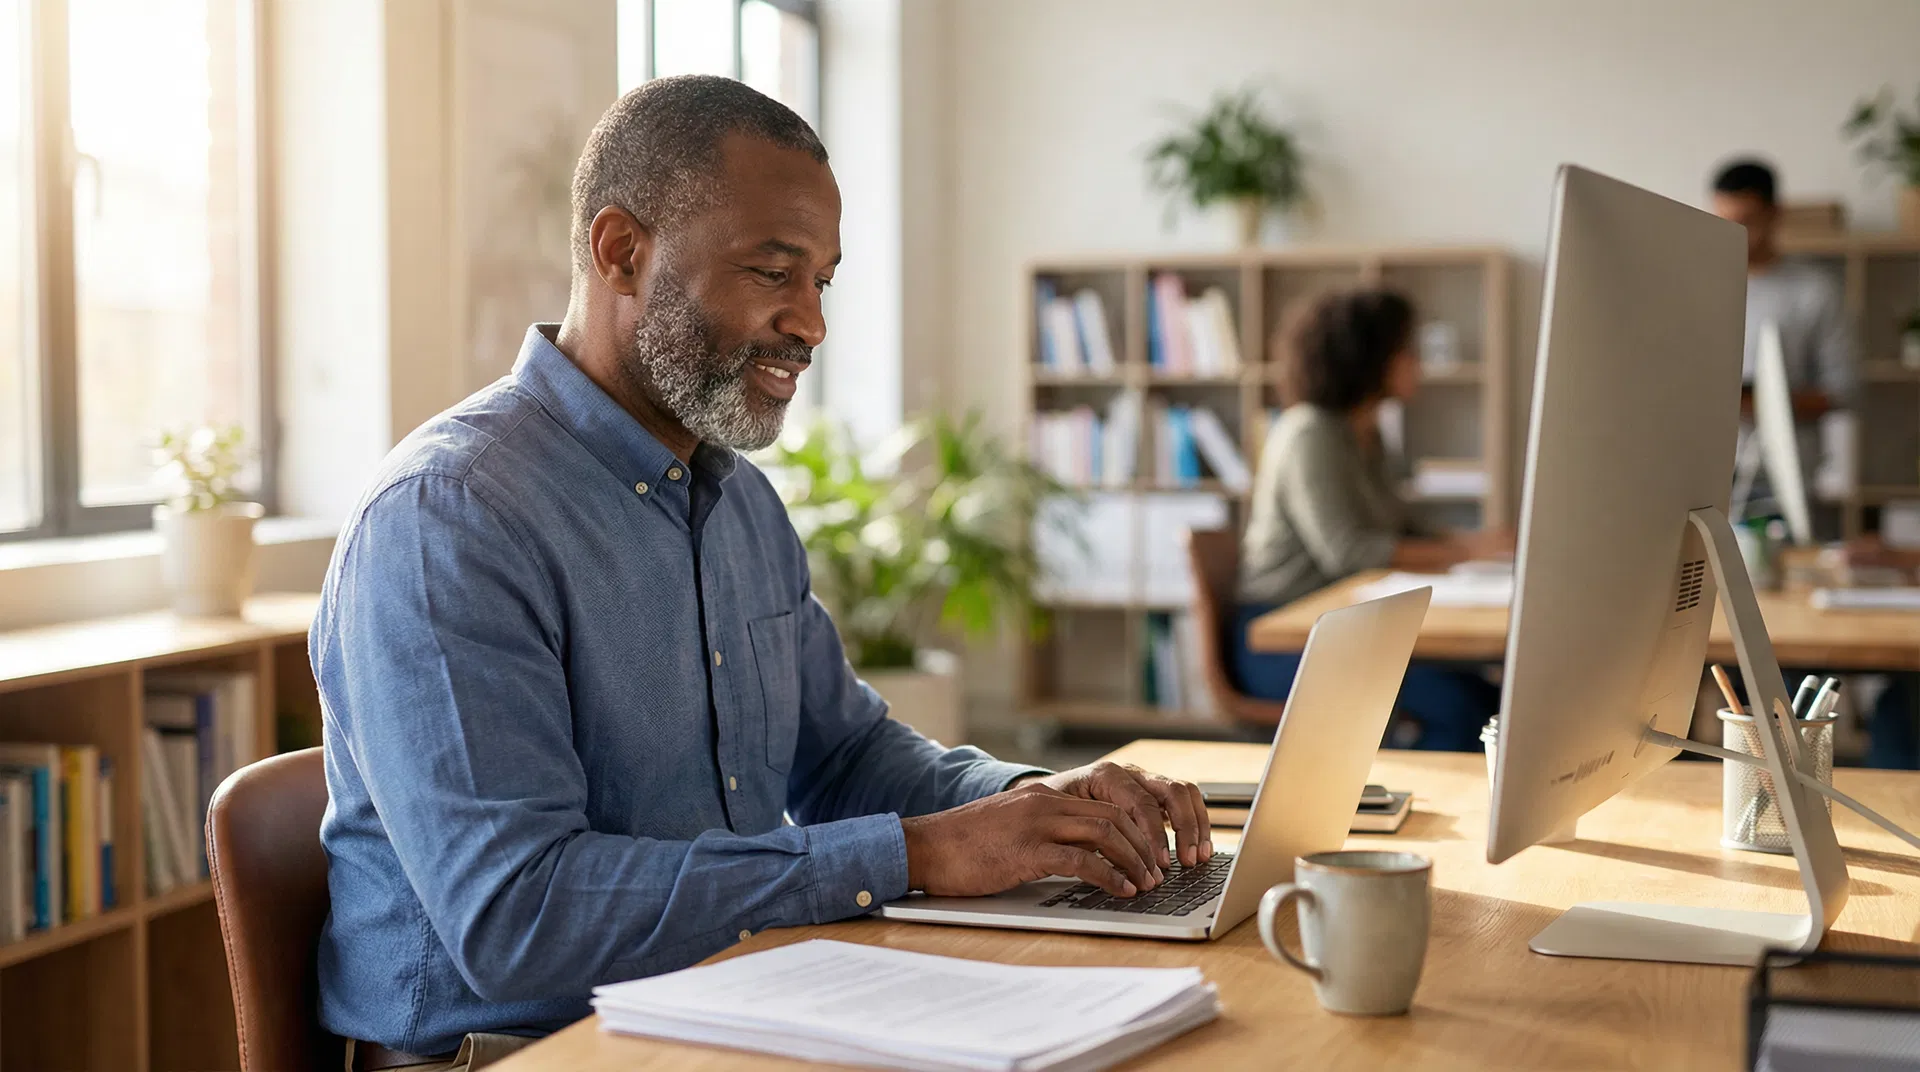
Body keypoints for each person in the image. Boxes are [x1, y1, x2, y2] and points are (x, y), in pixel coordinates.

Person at [313, 76, 1211, 1072]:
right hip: (527, 1050)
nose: (812, 322)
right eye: (772, 271)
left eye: (822, 280)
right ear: (622, 250)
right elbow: (518, 914)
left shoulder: (735, 499)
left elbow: (845, 757)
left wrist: (1046, 805)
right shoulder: (449, 519)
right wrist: (917, 854)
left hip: (729, 1009)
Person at [1231, 288, 1504, 751]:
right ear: (1371, 357)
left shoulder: (1365, 432)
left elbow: (1402, 530)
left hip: (1347, 626)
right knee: (1457, 706)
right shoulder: (1309, 434)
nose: (1418, 362)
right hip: (1285, 637)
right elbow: (1350, 553)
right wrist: (1467, 551)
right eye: (1408, 350)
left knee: (1485, 695)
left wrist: (1483, 545)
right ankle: (1401, 801)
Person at [1708, 158, 1858, 502]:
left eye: (1746, 222)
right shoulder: (1696, 287)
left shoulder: (1814, 291)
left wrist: (1759, 402)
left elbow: (1844, 389)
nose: (1734, 234)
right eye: (1723, 221)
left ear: (1775, 214)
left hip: (1786, 475)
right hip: (1705, 469)